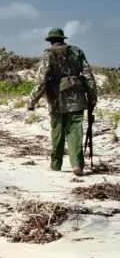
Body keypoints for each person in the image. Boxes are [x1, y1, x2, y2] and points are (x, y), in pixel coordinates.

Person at [27, 28, 98, 176]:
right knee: (75, 131)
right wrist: (92, 97)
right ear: (63, 39)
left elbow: (42, 80)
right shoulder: (77, 52)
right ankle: (77, 164)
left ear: (51, 41)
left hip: (56, 98)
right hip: (77, 97)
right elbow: (88, 75)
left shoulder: (48, 54)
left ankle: (56, 164)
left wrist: (32, 101)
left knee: (57, 131)